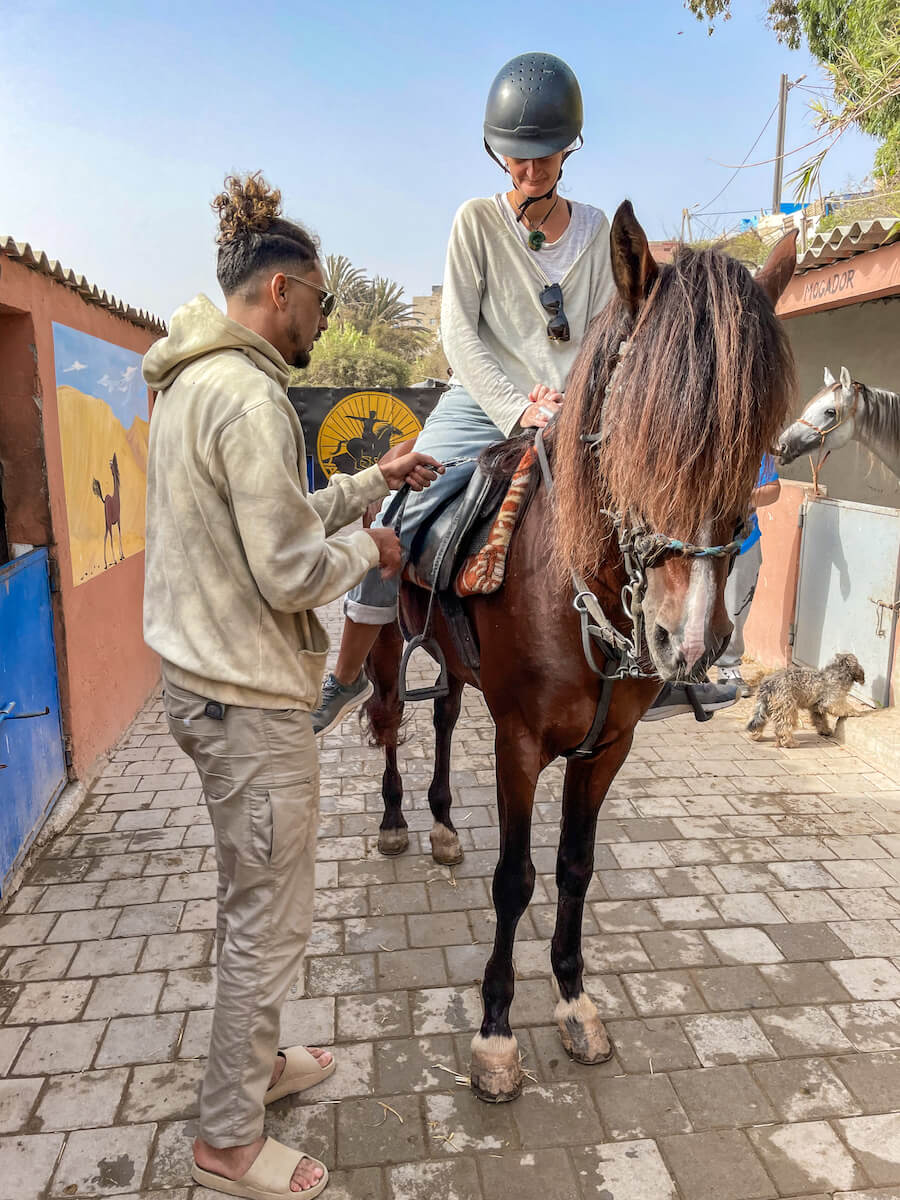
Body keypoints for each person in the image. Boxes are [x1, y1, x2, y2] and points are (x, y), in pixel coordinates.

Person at [142, 172, 439, 1200]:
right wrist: (374, 549)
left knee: (250, 900)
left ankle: (254, 1068)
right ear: (281, 293)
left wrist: (370, 481)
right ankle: (227, 1141)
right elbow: (288, 570)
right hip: (250, 701)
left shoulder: (193, 380)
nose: (323, 318)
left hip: (202, 683)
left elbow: (268, 514)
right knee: (266, 922)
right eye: (320, 300)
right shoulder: (250, 394)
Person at [312, 50, 736, 736]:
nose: (529, 168)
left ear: (568, 150)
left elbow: (607, 332)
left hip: (576, 413)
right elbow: (459, 334)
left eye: (542, 155)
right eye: (516, 156)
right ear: (496, 151)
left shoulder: (600, 231)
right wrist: (517, 405)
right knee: (393, 518)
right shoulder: (475, 222)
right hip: (481, 403)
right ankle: (348, 672)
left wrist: (576, 406)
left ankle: (663, 668)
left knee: (655, 517)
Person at [716, 456, 781, 695]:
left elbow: (773, 489)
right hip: (698, 541)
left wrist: (741, 499)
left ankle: (728, 668)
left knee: (735, 607)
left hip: (743, 539)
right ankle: (691, 668)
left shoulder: (756, 447)